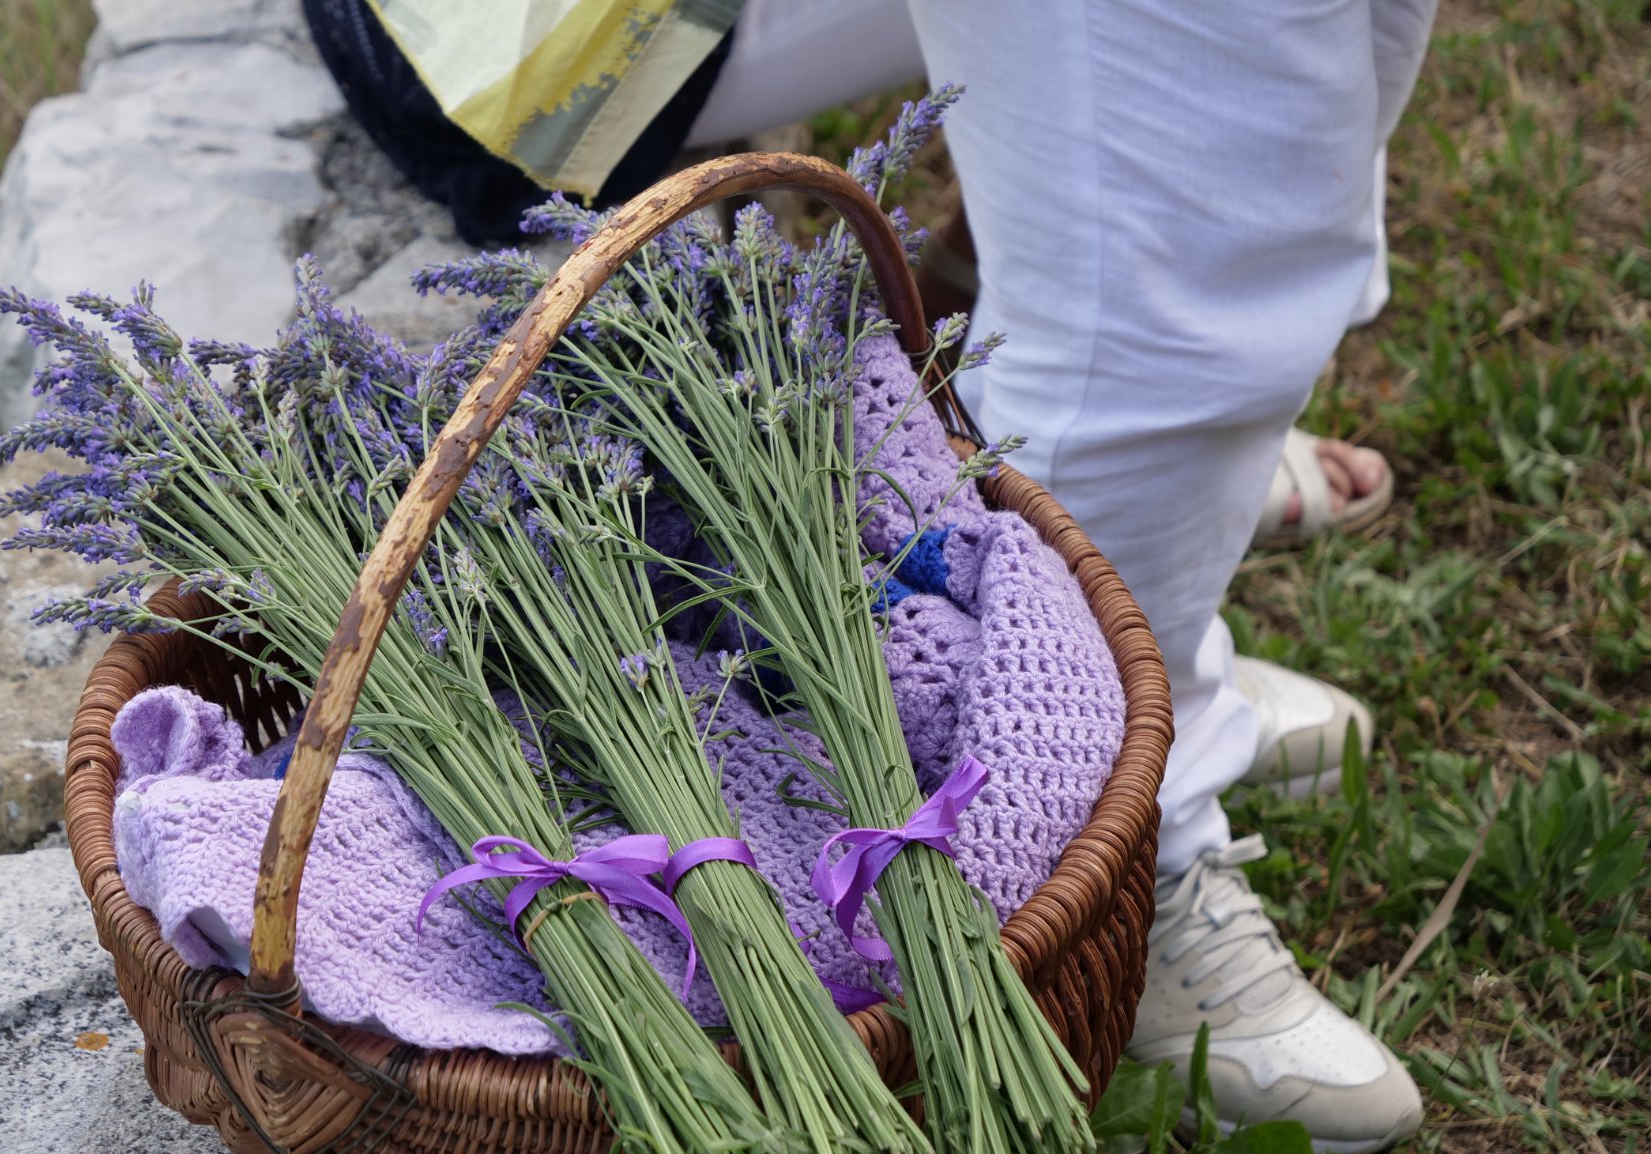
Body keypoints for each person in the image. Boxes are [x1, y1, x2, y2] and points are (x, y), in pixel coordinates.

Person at [307, 2, 1432, 1147]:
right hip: (517, 58)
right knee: (1195, 180)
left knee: (1271, 94)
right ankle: (1127, 843)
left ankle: (1154, 682)